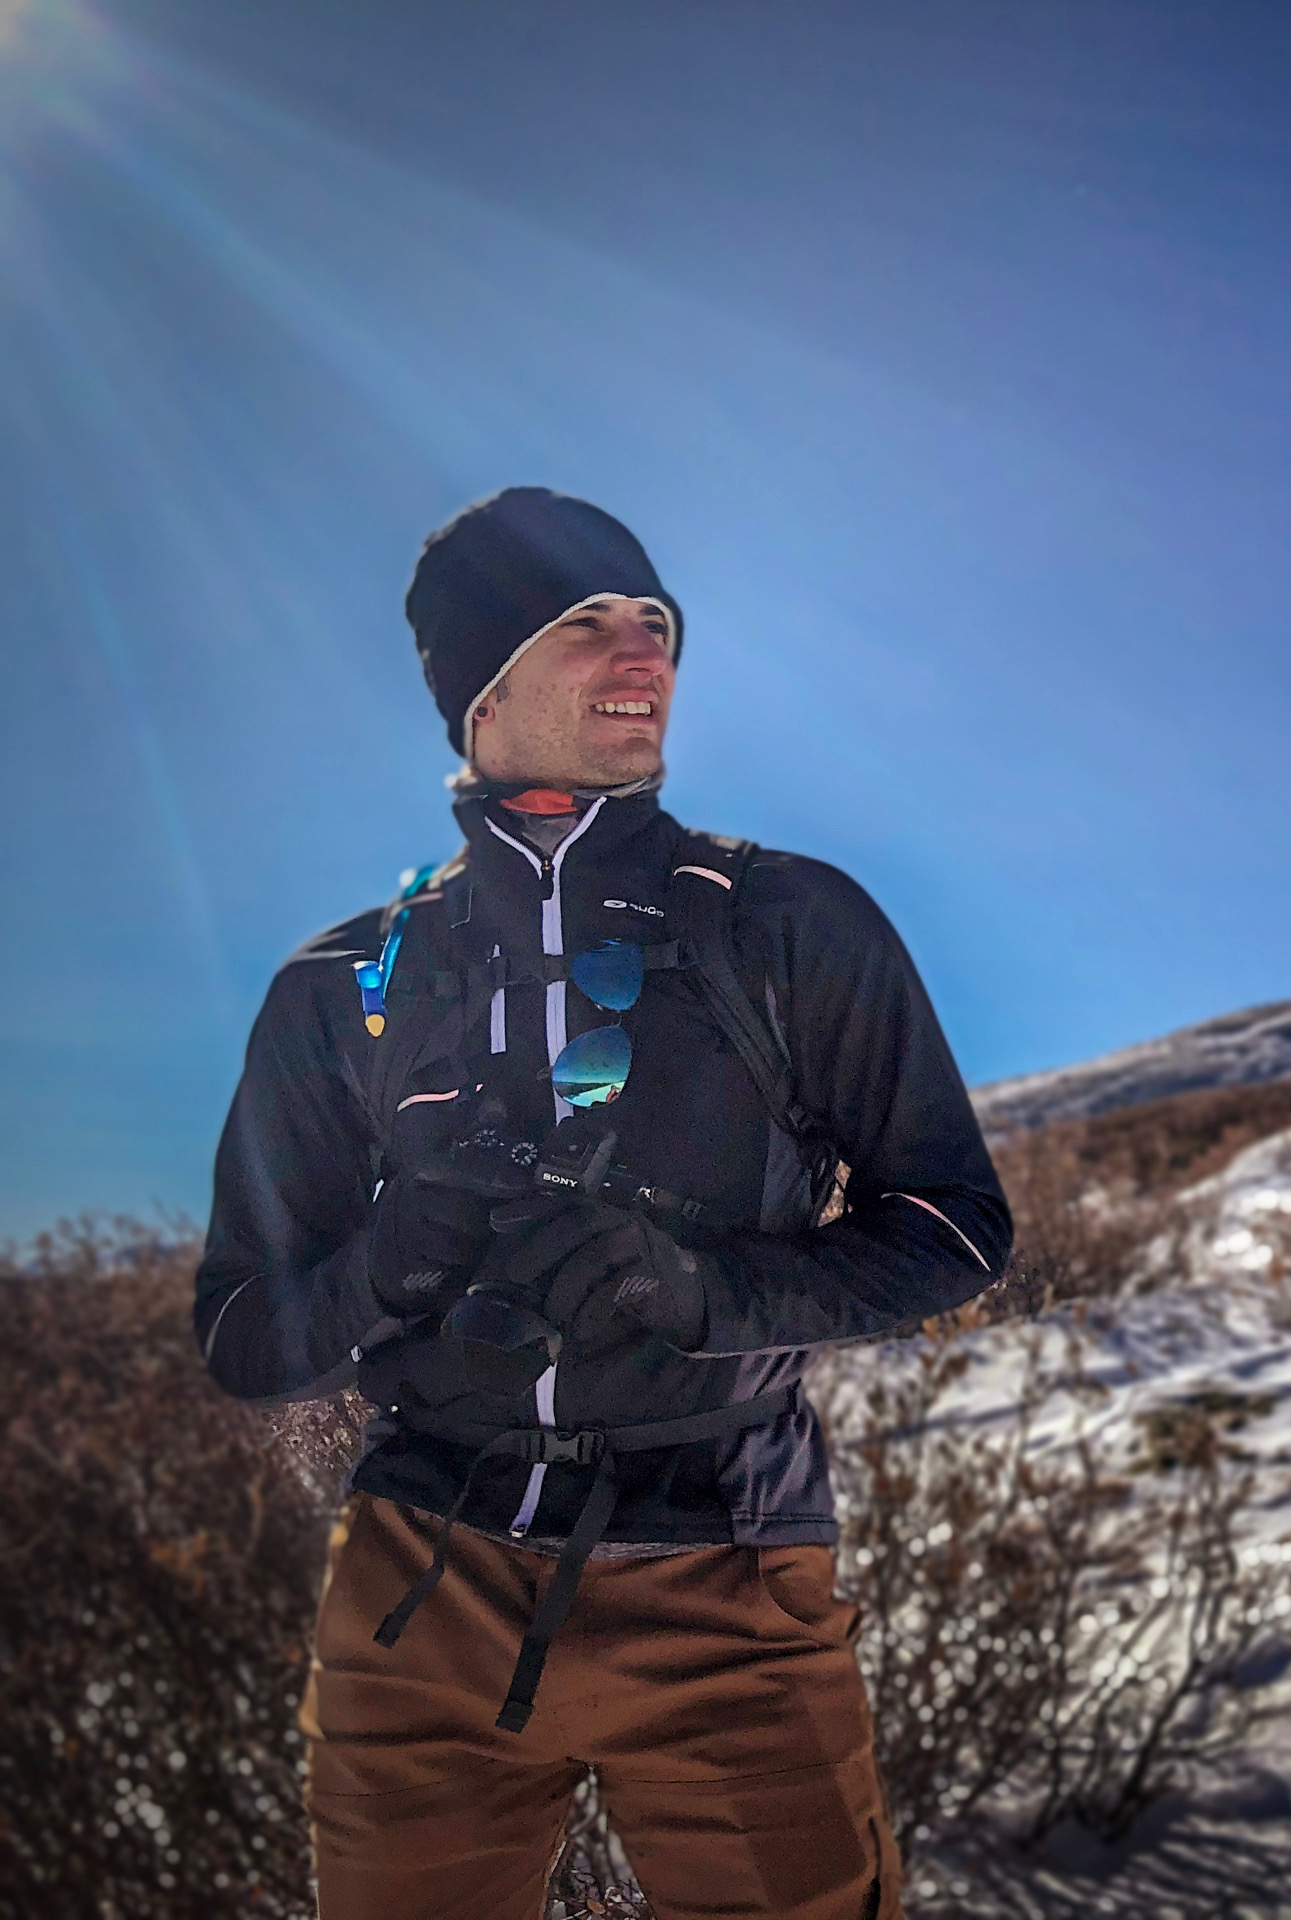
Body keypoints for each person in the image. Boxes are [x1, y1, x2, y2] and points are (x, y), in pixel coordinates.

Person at [195, 486, 1009, 1920]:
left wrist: (709, 1296)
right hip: (413, 1597)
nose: (642, 654)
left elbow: (952, 1228)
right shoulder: (342, 989)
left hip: (731, 1579)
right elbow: (243, 1334)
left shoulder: (787, 924)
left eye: (656, 621)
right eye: (585, 622)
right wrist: (385, 1266)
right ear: (480, 690)